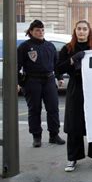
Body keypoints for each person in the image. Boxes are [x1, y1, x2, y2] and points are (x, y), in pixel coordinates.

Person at [56, 20, 92, 172]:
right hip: (76, 88)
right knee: (74, 123)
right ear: (75, 31)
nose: (81, 32)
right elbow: (57, 68)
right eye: (79, 29)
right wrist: (72, 59)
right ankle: (73, 158)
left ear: (89, 31)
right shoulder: (67, 48)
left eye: (84, 29)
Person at [17, 19, 65, 147]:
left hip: (49, 80)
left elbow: (56, 64)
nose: (40, 32)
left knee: (53, 108)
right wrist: (19, 82)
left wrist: (59, 77)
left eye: (42, 30)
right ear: (31, 31)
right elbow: (17, 65)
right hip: (32, 81)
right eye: (37, 30)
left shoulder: (50, 46)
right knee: (34, 110)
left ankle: (54, 135)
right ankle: (36, 136)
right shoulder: (24, 47)